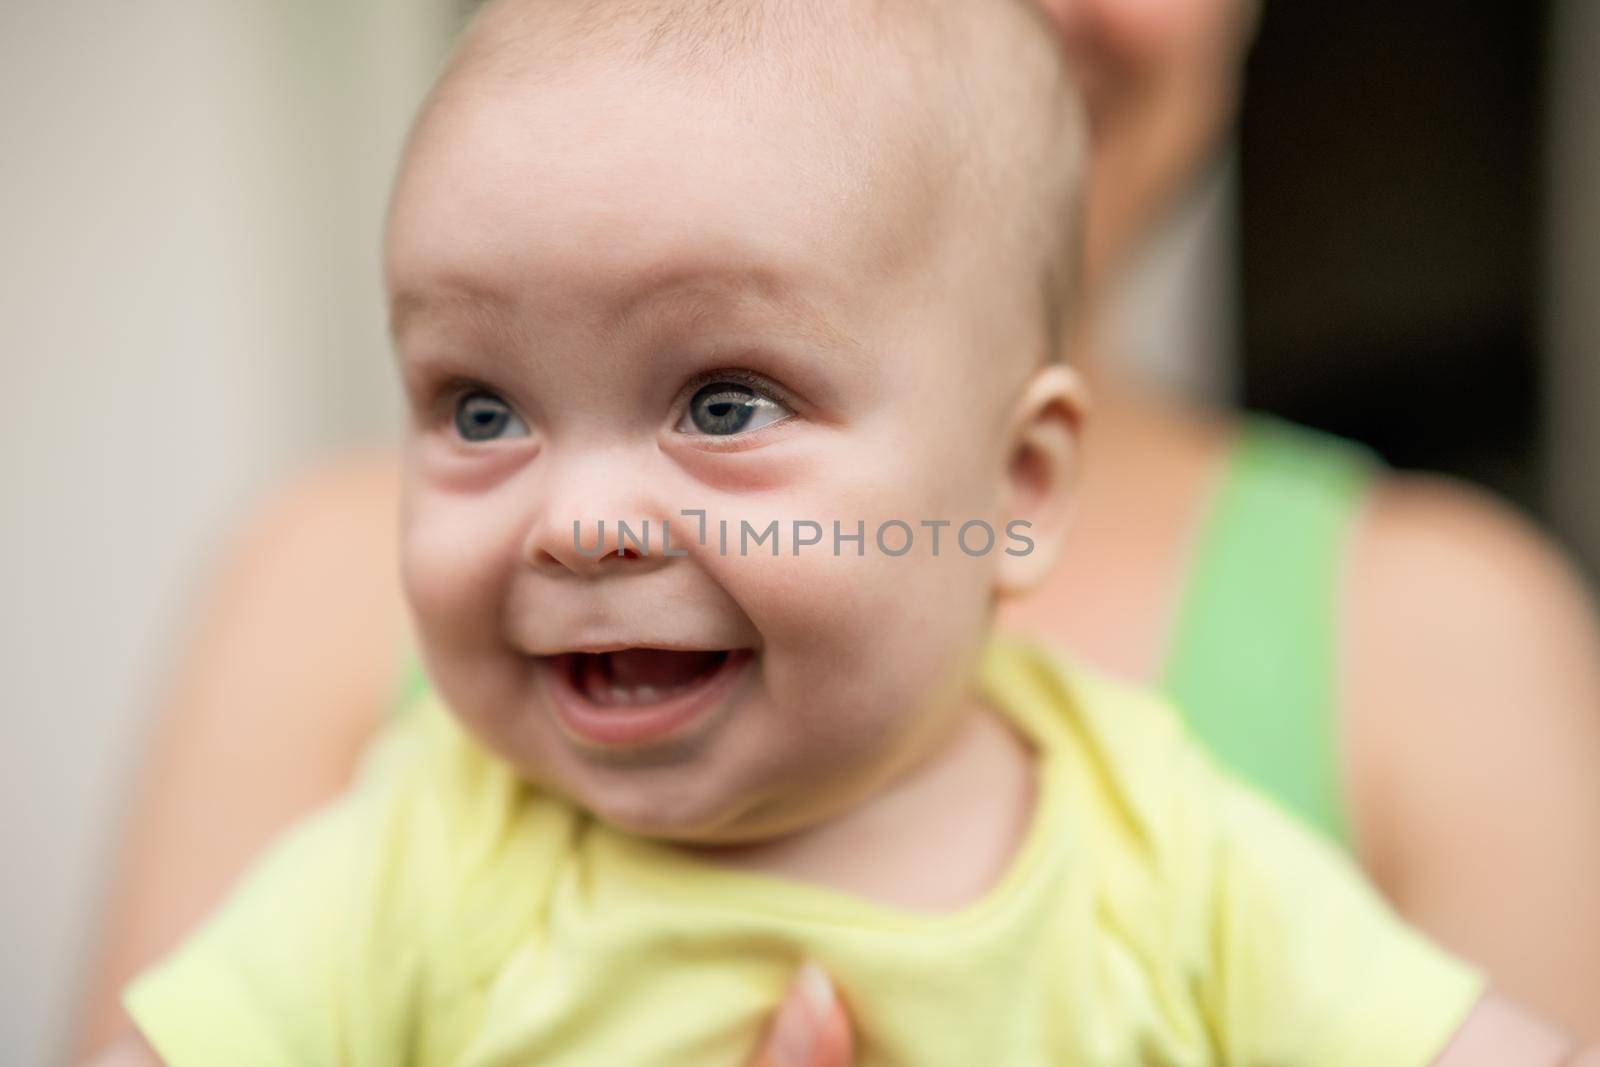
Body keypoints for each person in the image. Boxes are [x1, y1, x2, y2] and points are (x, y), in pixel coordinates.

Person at [75, 0, 1600, 1060]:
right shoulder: (420, 850)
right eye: (482, 412)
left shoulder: (1163, 853)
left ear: (1015, 492)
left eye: (726, 403)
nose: (581, 520)